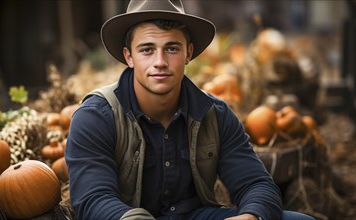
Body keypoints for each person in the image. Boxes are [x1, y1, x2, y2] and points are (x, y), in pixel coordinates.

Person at [65, 1, 315, 219]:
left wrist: (251, 216)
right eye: (147, 50)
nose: (160, 62)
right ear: (129, 57)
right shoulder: (96, 116)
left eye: (172, 48)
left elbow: (256, 183)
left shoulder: (214, 113)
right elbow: (93, 200)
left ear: (189, 53)